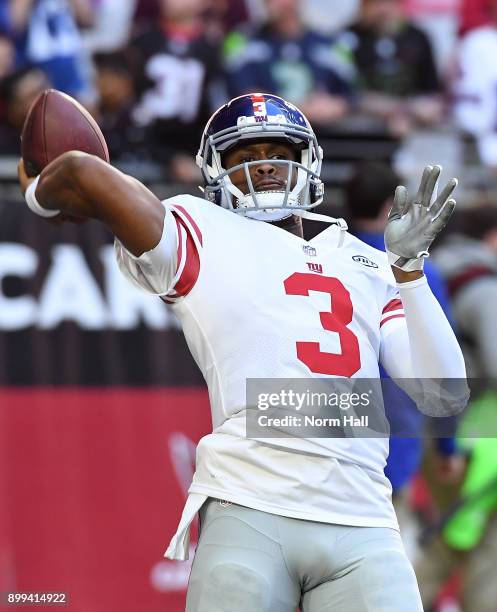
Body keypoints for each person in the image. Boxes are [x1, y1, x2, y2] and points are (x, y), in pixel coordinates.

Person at [18, 93, 468, 611]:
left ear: (308, 161)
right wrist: (44, 196)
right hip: (250, 507)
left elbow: (443, 395)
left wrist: (408, 273)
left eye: (278, 152)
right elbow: (82, 171)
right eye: (245, 156)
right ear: (214, 171)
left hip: (363, 519)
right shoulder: (199, 229)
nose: (266, 168)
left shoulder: (368, 263)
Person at [223, 0, 353, 125]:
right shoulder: (241, 40)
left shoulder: (331, 44)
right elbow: (244, 96)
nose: (280, 3)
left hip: (327, 138)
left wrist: (337, 106)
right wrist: (302, 110)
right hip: (266, 134)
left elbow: (351, 96)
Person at [345, 0, 443, 136]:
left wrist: (409, 109)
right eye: (377, 4)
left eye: (390, 3)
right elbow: (346, 93)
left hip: (411, 115)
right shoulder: (351, 36)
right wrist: (399, 109)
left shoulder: (418, 37)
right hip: (363, 117)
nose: (383, 10)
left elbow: (432, 91)